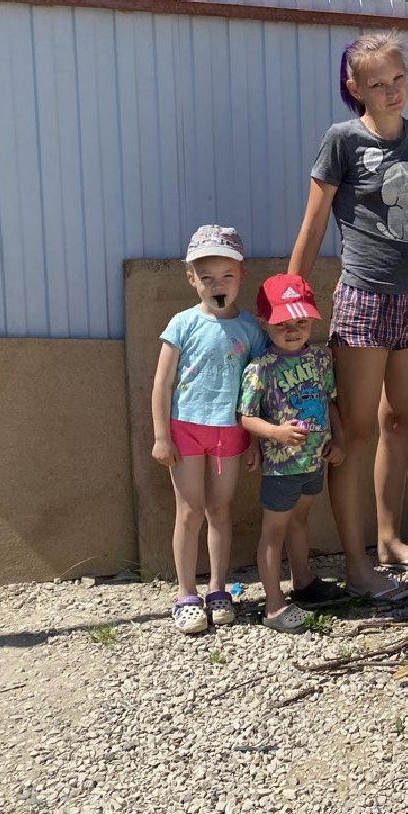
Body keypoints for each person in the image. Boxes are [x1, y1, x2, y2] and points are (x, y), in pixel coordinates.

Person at [288, 31, 408, 600]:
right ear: (354, 88)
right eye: (378, 83)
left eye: (399, 79)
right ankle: (358, 564)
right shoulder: (341, 142)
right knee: (356, 433)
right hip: (363, 301)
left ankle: (390, 541)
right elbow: (313, 225)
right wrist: (292, 299)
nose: (391, 92)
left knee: (398, 421)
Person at [151, 225, 268, 635]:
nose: (217, 285)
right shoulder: (182, 323)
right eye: (207, 277)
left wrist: (253, 439)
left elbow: (255, 390)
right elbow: (162, 382)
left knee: (220, 510)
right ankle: (186, 594)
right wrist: (161, 436)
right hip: (185, 431)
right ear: (191, 279)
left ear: (241, 274)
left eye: (227, 276)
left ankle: (218, 589)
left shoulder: (252, 330)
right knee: (190, 511)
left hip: (229, 433)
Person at [238, 274, 345, 633]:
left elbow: (331, 404)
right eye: (283, 323)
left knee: (301, 520)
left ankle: (304, 583)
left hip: (314, 461)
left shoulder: (320, 359)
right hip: (281, 468)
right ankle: (272, 604)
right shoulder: (260, 368)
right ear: (264, 324)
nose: (293, 329)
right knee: (274, 530)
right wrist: (276, 433)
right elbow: (245, 417)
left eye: (300, 321)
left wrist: (339, 440)